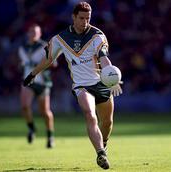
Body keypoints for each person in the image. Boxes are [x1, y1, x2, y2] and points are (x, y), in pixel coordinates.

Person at [23, 2, 122, 169]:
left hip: (102, 83)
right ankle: (100, 154)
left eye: (88, 18)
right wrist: (33, 74)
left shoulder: (97, 35)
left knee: (107, 122)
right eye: (81, 18)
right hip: (82, 86)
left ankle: (103, 144)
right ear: (73, 17)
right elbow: (48, 60)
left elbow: (104, 57)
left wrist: (112, 76)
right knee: (90, 115)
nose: (85, 22)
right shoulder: (61, 39)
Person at [18, 23, 57, 148]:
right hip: (28, 81)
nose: (34, 34)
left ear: (40, 34)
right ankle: (31, 128)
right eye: (32, 32)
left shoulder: (44, 46)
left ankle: (50, 135)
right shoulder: (22, 48)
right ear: (28, 33)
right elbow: (22, 63)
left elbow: (54, 63)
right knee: (24, 106)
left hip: (42, 82)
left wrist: (40, 64)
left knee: (44, 111)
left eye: (36, 32)